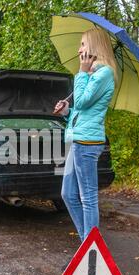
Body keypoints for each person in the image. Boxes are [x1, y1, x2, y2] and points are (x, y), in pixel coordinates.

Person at [54, 28, 118, 242]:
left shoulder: (105, 73)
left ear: (94, 46)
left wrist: (81, 72)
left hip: (88, 143)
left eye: (83, 44)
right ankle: (88, 245)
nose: (79, 49)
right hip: (78, 140)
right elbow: (81, 111)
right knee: (67, 195)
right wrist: (66, 112)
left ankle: (91, 250)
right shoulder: (93, 75)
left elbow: (82, 101)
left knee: (87, 197)